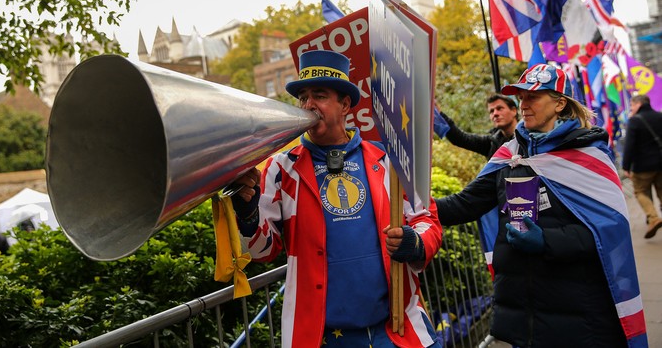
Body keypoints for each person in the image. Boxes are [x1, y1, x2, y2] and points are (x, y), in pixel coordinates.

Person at [229, 50, 443, 348]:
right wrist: (248, 213)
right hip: (323, 337)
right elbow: (263, 249)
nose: (308, 105)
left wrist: (415, 243)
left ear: (345, 104)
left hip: (396, 329)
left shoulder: (388, 159)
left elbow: (426, 219)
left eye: (319, 95)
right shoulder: (281, 167)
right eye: (303, 97)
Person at [435, 64, 646, 347]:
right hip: (523, 319)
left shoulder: (589, 157)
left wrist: (546, 240)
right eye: (521, 97)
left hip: (578, 318)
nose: (523, 104)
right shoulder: (509, 155)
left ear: (560, 103)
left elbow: (608, 232)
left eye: (533, 97)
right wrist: (413, 211)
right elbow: (465, 204)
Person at [621, 93, 662, 239]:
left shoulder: (634, 121)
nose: (630, 108)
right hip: (660, 164)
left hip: (643, 166)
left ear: (638, 104)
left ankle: (654, 218)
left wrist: (626, 166)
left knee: (640, 191)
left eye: (631, 105)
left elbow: (629, 146)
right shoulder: (659, 116)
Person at [439, 94, 519, 159]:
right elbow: (460, 138)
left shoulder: (528, 139)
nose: (495, 114)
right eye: (491, 111)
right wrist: (439, 114)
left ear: (514, 111)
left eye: (499, 108)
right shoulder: (492, 143)